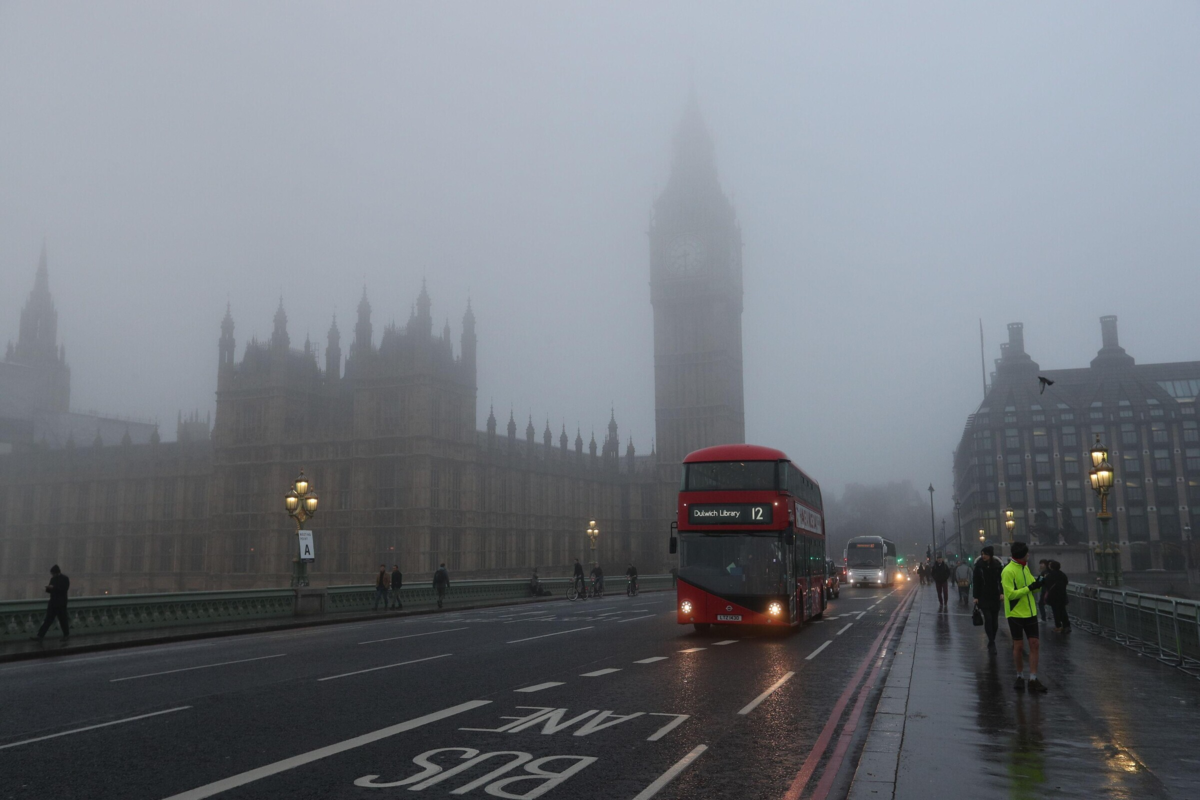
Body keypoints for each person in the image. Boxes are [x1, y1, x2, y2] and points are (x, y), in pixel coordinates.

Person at [1002, 542, 1047, 693]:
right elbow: (1010, 594)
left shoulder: (1025, 567)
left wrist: (1039, 584)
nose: (1029, 555)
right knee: (1018, 646)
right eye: (1027, 553)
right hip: (1015, 613)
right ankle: (1020, 676)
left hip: (1030, 612)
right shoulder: (1008, 571)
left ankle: (1033, 678)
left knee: (1034, 644)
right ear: (1022, 554)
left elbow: (1031, 586)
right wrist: (1030, 588)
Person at [973, 546, 1004, 647]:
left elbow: (1001, 581)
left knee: (995, 621)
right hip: (983, 596)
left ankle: (992, 637)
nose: (983, 556)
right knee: (988, 618)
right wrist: (976, 596)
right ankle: (991, 641)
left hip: (995, 596)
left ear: (990, 555)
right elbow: (976, 582)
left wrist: (1002, 593)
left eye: (985, 554)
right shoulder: (978, 567)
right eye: (982, 554)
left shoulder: (998, 567)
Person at [32, 564, 70, 641]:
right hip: (53, 602)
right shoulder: (52, 579)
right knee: (47, 620)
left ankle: (66, 635)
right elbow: (50, 591)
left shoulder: (65, 579)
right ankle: (40, 636)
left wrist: (54, 588)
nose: (52, 575)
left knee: (63, 620)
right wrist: (48, 588)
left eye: (53, 573)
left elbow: (64, 589)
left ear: (56, 572)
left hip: (61, 603)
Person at [1045, 560, 1071, 633]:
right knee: (1063, 610)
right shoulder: (1062, 574)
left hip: (1053, 596)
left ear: (1051, 567)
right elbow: (1066, 582)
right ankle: (1066, 625)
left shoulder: (1049, 575)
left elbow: (1046, 584)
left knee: (1056, 611)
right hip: (1062, 595)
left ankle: (1058, 626)